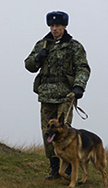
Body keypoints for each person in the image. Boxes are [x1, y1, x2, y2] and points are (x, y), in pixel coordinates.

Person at [24, 11, 90, 179]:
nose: (54, 29)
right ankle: (54, 169)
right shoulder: (42, 44)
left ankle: (67, 168)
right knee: (48, 132)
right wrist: (38, 58)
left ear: (64, 26)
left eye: (57, 26)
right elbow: (29, 65)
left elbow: (82, 67)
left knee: (65, 130)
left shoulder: (74, 46)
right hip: (46, 94)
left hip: (66, 94)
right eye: (52, 26)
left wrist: (79, 87)